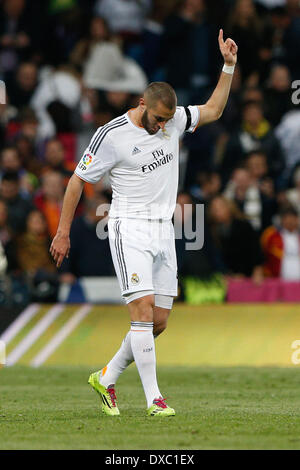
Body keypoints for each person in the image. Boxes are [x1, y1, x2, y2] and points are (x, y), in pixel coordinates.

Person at [50, 29, 238, 417]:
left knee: (160, 321)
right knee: (143, 310)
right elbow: (76, 182)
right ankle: (154, 399)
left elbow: (214, 109)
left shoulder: (173, 121)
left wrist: (229, 66)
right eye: (158, 118)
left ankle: (106, 376)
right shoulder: (111, 136)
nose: (164, 126)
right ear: (142, 104)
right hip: (128, 228)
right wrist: (63, 231)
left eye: (169, 120)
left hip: (163, 230)